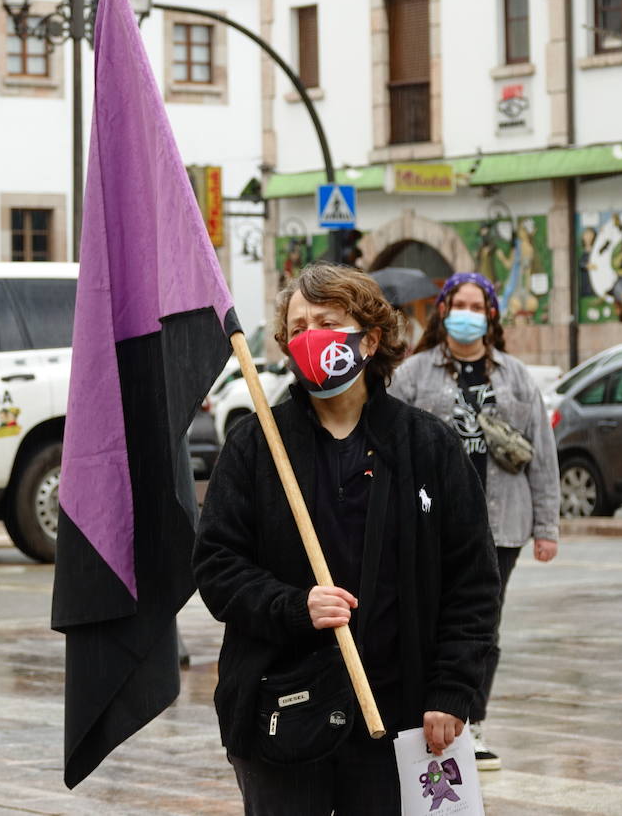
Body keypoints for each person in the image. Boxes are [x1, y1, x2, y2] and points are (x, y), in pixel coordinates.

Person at [194, 263, 499, 815]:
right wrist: (293, 604)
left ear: (370, 338)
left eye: (328, 321)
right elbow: (216, 566)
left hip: (397, 717)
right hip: (279, 713)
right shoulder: (255, 446)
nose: (311, 335)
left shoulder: (428, 447)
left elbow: (472, 583)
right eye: (300, 325)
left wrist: (454, 690)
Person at [391, 271, 559, 770]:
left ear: (490, 316)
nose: (467, 313)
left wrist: (546, 527)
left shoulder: (515, 375)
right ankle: (423, 712)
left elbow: (542, 454)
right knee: (425, 619)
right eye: (458, 303)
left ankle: (471, 720)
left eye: (476, 305)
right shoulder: (415, 373)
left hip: (501, 522)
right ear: (443, 312)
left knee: (481, 624)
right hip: (429, 521)